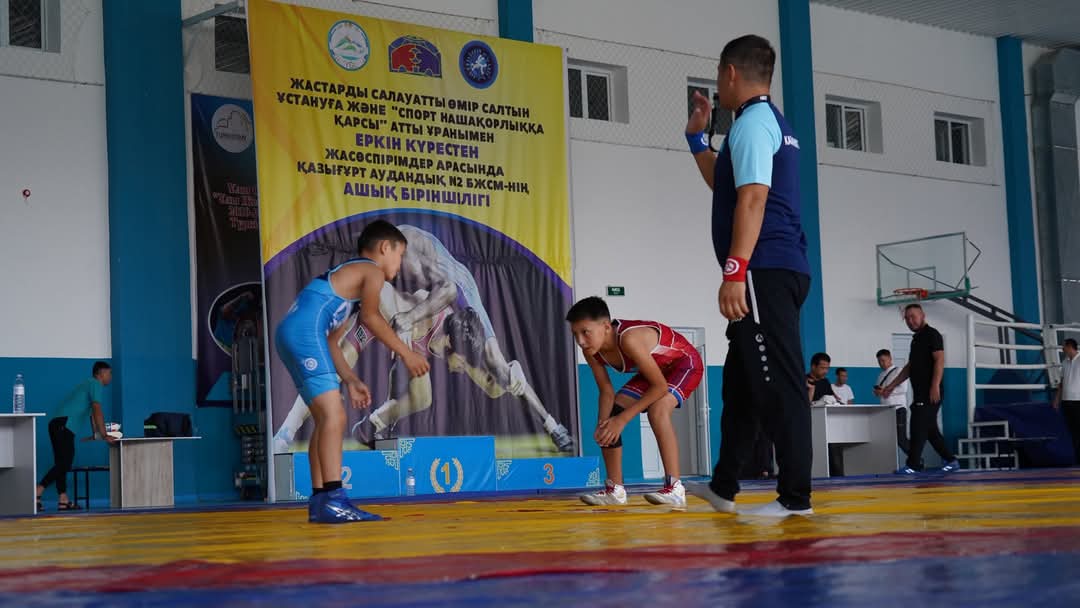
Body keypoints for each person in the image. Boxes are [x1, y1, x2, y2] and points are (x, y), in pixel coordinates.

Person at [683, 34, 814, 517]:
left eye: (719, 76)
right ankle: (723, 487)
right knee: (740, 387)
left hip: (764, 269)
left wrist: (735, 270)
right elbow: (726, 183)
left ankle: (795, 499)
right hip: (776, 267)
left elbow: (754, 199)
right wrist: (697, 140)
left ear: (731, 73)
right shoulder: (763, 123)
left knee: (778, 384)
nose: (718, 85)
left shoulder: (754, 124)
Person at [275, 220, 430, 523]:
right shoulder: (371, 271)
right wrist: (406, 353)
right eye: (400, 255)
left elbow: (332, 343)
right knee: (335, 416)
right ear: (384, 248)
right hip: (305, 332)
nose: (400, 264)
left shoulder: (348, 286)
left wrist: (351, 379)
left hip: (292, 333)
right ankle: (335, 499)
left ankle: (320, 500)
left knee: (324, 418)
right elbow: (372, 318)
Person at [386, 224, 573, 451]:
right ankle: (387, 422)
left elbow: (448, 288)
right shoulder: (385, 258)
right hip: (429, 287)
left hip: (457, 288)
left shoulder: (410, 257)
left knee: (497, 364)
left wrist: (409, 318)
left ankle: (553, 426)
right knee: (401, 343)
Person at [567, 296, 703, 510]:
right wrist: (604, 424)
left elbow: (659, 387)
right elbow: (606, 391)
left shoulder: (629, 339)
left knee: (657, 410)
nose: (581, 341)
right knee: (610, 420)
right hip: (655, 371)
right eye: (575, 334)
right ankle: (615, 490)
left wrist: (621, 421)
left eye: (585, 332)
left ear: (606, 327)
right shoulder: (590, 351)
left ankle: (675, 488)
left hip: (684, 364)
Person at [881, 304, 959, 473]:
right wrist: (891, 386)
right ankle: (951, 460)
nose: (910, 321)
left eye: (913, 316)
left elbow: (939, 360)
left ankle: (913, 465)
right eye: (907, 318)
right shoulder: (916, 339)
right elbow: (910, 367)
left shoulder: (932, 334)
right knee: (930, 429)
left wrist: (935, 385)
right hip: (920, 393)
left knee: (917, 425)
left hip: (930, 392)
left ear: (922, 315)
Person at [36, 361, 116, 511]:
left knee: (61, 463)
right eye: (109, 373)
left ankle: (63, 499)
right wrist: (105, 435)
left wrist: (96, 435)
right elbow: (97, 409)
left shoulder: (88, 384)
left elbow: (92, 414)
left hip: (58, 424)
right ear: (101, 373)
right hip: (64, 424)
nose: (111, 376)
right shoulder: (95, 383)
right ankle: (37, 491)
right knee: (64, 463)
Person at [873, 349, 912, 458]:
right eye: (879, 361)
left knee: (901, 439)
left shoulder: (899, 371)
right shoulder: (880, 375)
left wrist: (886, 391)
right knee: (889, 439)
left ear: (890, 358)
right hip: (885, 411)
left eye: (883, 360)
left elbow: (903, 389)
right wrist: (878, 392)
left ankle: (916, 460)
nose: (881, 363)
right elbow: (880, 391)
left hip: (898, 409)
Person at [1052, 338, 1080, 462]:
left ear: (1069, 347)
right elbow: (1061, 383)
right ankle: (1078, 458)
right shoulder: (1064, 362)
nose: (1062, 349)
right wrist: (1057, 399)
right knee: (1072, 431)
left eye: (1064, 347)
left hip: (1078, 400)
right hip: (1066, 400)